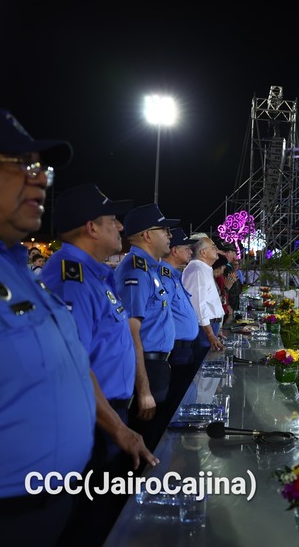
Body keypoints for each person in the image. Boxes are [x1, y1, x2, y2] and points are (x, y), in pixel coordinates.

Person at [0, 104, 95, 546]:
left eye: (41, 168)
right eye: (20, 164)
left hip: (50, 509)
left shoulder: (13, 264)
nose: (40, 178)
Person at [42, 183, 158, 544]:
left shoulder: (95, 276)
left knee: (105, 513)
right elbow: (73, 364)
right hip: (94, 421)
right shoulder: (70, 279)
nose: (121, 228)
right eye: (113, 221)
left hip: (108, 415)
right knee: (89, 521)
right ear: (91, 227)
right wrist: (118, 429)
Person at [114, 203, 180, 449]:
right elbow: (131, 332)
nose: (170, 236)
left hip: (157, 364)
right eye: (165, 230)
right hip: (147, 367)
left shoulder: (149, 269)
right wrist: (143, 389)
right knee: (146, 440)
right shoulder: (136, 270)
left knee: (155, 436)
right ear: (147, 235)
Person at [158, 227, 201, 432]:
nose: (190, 252)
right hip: (175, 349)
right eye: (187, 247)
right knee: (174, 402)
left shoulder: (174, 276)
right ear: (174, 250)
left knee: (180, 396)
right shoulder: (164, 276)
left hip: (183, 348)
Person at [182, 234, 226, 361]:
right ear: (203, 252)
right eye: (213, 247)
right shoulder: (197, 270)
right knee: (205, 371)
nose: (216, 249)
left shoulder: (204, 269)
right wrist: (210, 334)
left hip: (210, 327)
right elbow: (198, 306)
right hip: (204, 331)